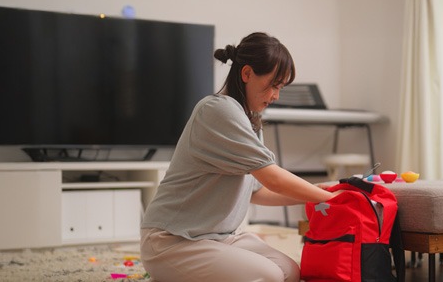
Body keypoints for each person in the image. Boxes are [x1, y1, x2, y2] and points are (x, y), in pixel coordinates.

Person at [140, 32, 338, 282]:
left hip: (222, 237)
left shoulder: (251, 120)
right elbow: (273, 179)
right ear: (247, 74)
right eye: (274, 85)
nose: (276, 96)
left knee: (290, 272)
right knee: (271, 277)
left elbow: (257, 192)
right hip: (173, 240)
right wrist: (330, 198)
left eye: (281, 87)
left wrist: (315, 191)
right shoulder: (217, 110)